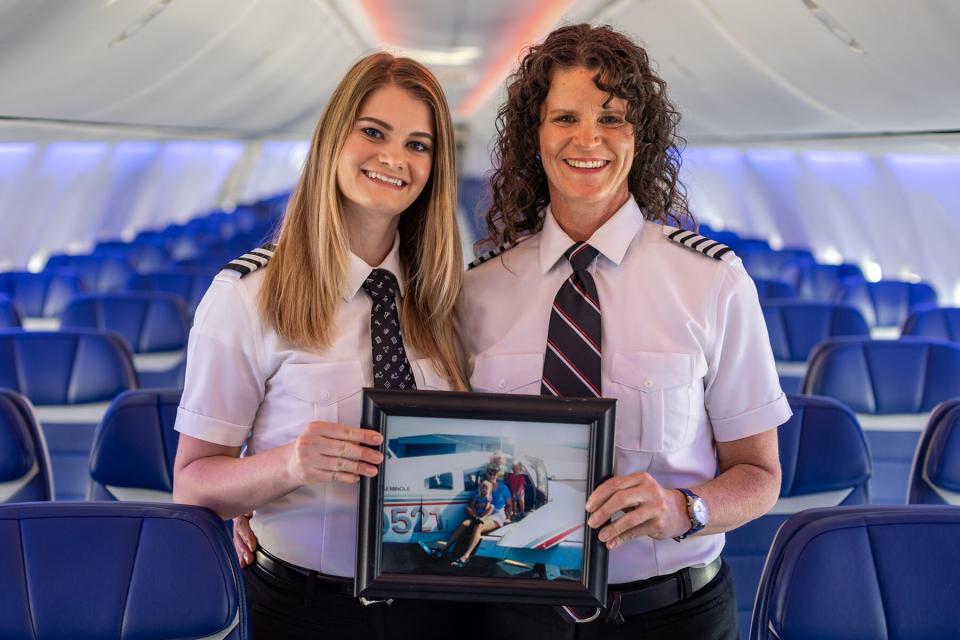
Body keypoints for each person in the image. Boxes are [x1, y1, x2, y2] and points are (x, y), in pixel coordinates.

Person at [458, 24, 791, 638]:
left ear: (641, 137)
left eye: (612, 118)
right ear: (536, 135)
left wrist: (683, 509)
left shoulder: (713, 282)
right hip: (509, 610)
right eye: (565, 118)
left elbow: (761, 475)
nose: (589, 140)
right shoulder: (478, 291)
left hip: (668, 612)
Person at [172, 52, 467, 640]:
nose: (394, 158)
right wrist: (288, 466)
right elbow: (194, 484)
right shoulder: (247, 298)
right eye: (374, 132)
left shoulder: (452, 296)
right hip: (306, 607)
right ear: (334, 138)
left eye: (419, 144)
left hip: (446, 604)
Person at [441, 466, 511, 568]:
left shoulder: (503, 488)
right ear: (487, 474)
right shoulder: (482, 486)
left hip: (496, 515)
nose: (492, 475)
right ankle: (445, 548)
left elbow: (509, 505)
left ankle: (466, 556)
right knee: (464, 523)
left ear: (497, 474)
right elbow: (473, 502)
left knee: (478, 526)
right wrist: (474, 512)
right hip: (480, 514)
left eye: (494, 473)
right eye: (490, 473)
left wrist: (508, 517)